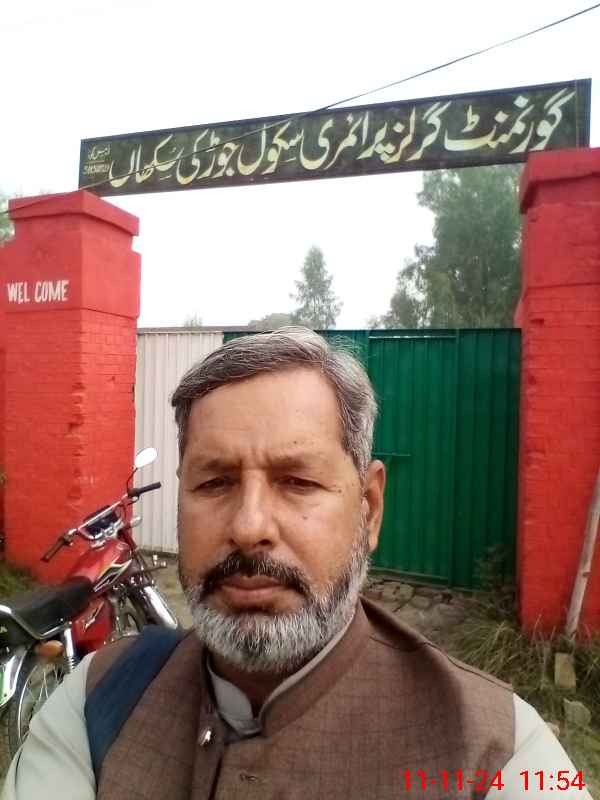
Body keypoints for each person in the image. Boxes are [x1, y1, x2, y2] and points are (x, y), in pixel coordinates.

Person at [1, 327, 591, 799]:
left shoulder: (500, 753)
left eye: (297, 481)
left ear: (369, 509)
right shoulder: (96, 703)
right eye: (215, 482)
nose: (249, 526)